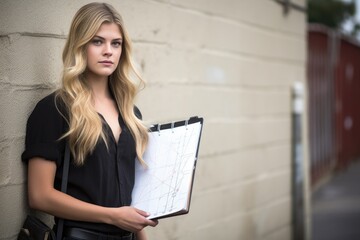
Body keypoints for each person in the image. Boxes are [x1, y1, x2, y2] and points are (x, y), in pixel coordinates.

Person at [22, 2, 158, 240]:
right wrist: (112, 216)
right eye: (97, 41)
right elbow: (39, 195)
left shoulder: (131, 114)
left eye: (116, 43)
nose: (109, 51)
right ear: (80, 45)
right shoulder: (55, 109)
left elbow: (129, 201)